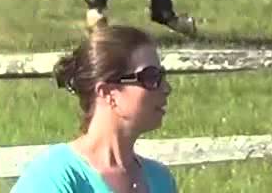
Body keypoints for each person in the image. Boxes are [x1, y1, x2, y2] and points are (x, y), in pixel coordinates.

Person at [11, 24, 177, 193]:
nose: (166, 88)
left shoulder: (160, 179)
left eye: (162, 76)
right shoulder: (54, 176)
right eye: (151, 77)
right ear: (107, 93)